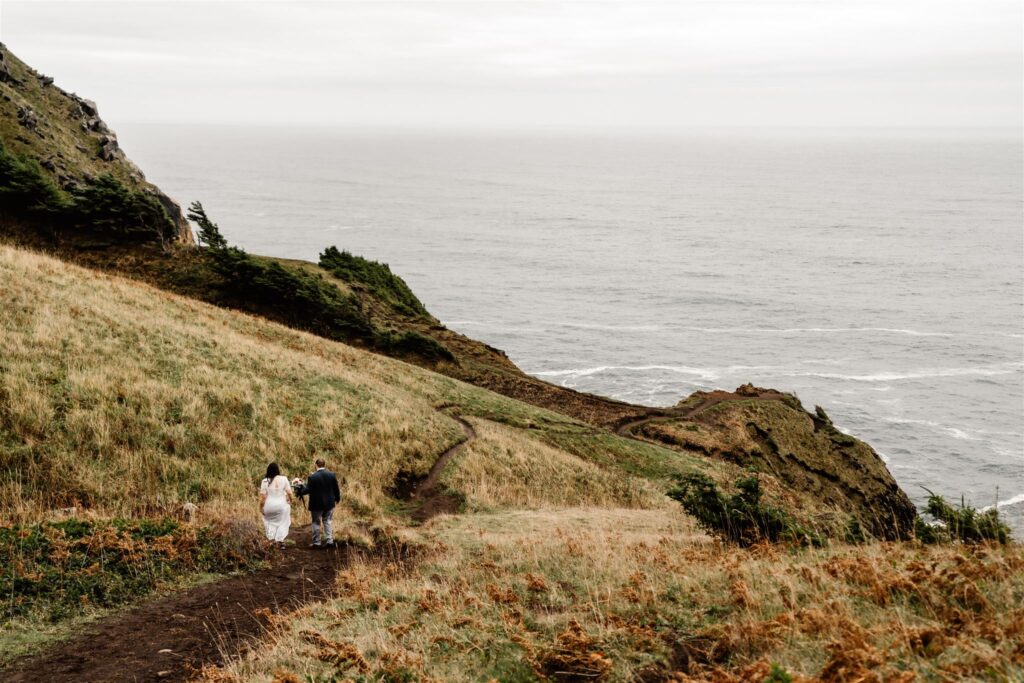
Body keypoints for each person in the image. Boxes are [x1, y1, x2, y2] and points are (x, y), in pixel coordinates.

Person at [298, 457, 341, 547]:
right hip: (329, 503)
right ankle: (330, 541)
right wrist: (337, 498)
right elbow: (336, 489)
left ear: (316, 465)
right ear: (324, 465)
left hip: (316, 504)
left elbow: (308, 490)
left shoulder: (312, 477)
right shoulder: (332, 475)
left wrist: (300, 490)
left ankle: (317, 542)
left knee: (316, 523)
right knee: (328, 521)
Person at [259, 462, 293, 549]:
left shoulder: (265, 481)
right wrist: (290, 501)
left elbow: (263, 498)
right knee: (282, 522)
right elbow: (289, 493)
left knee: (269, 522)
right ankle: (280, 541)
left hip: (269, 506)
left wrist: (261, 508)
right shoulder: (284, 479)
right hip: (281, 505)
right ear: (278, 470)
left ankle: (271, 540)